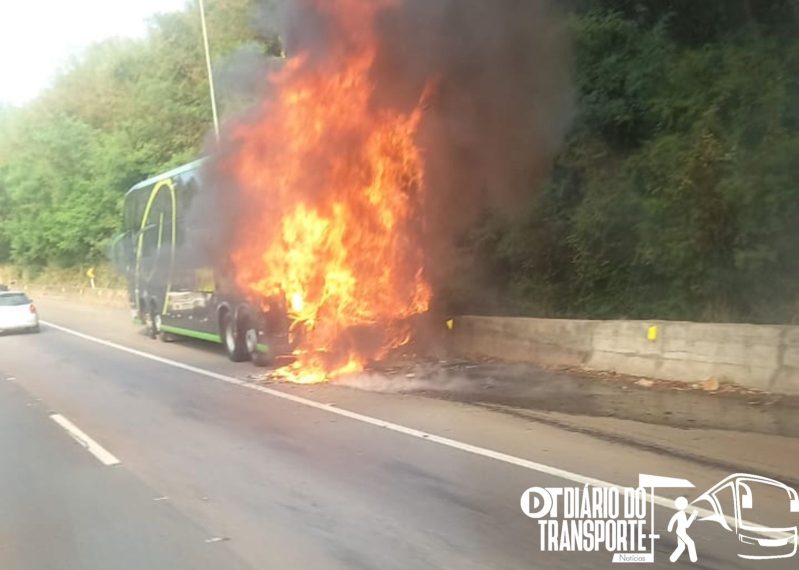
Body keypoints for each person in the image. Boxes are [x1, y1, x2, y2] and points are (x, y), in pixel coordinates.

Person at [668, 497, 698, 563]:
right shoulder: (681, 514)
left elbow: (673, 520)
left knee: (681, 546)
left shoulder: (679, 513)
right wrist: (693, 515)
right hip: (681, 532)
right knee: (691, 543)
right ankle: (693, 559)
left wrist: (670, 527)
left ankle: (672, 558)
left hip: (680, 531)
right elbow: (687, 525)